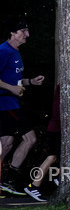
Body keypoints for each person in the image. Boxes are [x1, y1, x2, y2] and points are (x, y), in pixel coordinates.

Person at [0, 20, 44, 196]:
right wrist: (11, 89)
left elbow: (16, 81)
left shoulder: (16, 52)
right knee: (30, 139)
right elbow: (11, 86)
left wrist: (31, 82)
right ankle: (9, 181)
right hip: (5, 103)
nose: (27, 35)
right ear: (12, 33)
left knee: (6, 144)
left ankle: (3, 182)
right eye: (23, 31)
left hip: (11, 103)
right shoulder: (4, 51)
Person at [24, 85, 60, 202]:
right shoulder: (64, 87)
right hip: (56, 128)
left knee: (54, 156)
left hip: (56, 128)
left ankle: (57, 177)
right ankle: (34, 186)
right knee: (52, 157)